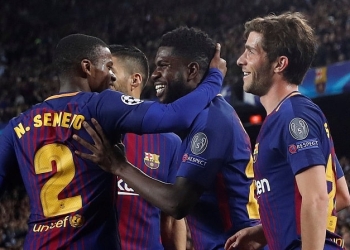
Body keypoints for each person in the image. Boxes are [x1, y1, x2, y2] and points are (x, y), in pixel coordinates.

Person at [0, 33, 226, 249]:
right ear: (87, 68)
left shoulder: (19, 124)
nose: (111, 76)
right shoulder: (99, 104)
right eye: (107, 67)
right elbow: (175, 115)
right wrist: (214, 77)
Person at [73, 26, 261, 250]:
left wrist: (119, 165)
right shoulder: (197, 118)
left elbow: (177, 204)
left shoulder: (212, 120)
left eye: (163, 65)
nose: (154, 75)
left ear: (191, 71)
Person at [224, 12, 347, 250]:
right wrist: (265, 230)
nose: (240, 60)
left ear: (279, 64)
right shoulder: (286, 115)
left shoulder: (293, 116)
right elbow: (340, 196)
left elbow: (318, 199)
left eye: (251, 51)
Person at [108, 44, 186, 249]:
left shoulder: (168, 141)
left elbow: (171, 219)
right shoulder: (86, 132)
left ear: (135, 80)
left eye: (111, 72)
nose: (103, 79)